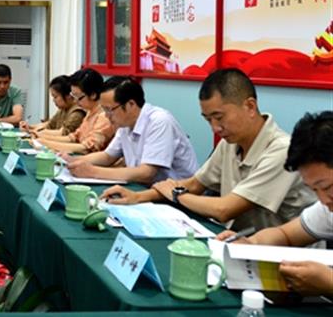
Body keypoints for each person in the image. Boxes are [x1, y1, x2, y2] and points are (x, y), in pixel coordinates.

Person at [102, 69, 316, 231]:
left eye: (219, 117)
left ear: (250, 107)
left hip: (284, 255)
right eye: (208, 119)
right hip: (237, 241)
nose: (215, 128)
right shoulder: (230, 142)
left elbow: (224, 210)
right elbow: (196, 184)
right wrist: (137, 197)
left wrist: (176, 194)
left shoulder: (281, 150)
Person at [216, 111, 333, 297]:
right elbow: (285, 234)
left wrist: (329, 283)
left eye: (327, 187)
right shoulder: (327, 210)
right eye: (314, 190)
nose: (324, 200)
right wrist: (250, 243)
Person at [67, 76, 198, 184]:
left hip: (178, 197)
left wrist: (93, 172)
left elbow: (147, 173)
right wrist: (72, 161)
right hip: (147, 190)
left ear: (131, 105)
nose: (106, 116)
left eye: (109, 110)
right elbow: (107, 156)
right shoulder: (125, 124)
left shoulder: (160, 121)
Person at [35, 68, 115, 154]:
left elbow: (87, 148)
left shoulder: (104, 116)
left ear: (93, 95)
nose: (76, 101)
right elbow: (73, 138)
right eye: (74, 96)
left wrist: (47, 143)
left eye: (79, 97)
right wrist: (41, 138)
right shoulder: (90, 112)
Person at [20, 75, 85, 137]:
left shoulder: (77, 113)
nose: (53, 100)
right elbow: (49, 125)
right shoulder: (63, 109)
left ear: (68, 96)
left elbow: (62, 133)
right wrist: (30, 127)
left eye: (55, 97)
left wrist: (33, 131)